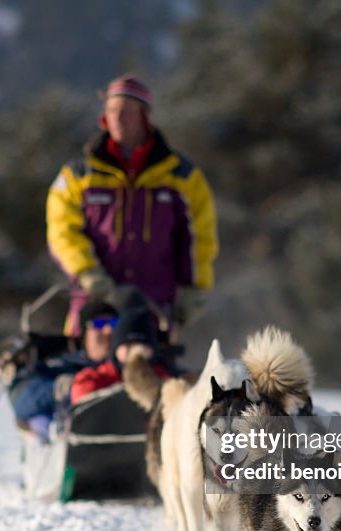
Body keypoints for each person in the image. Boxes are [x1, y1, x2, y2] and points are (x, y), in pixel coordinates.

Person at [47, 74, 219, 337]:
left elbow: (199, 235)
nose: (118, 117)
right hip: (96, 305)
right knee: (87, 376)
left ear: (145, 116)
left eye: (126, 111)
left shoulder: (182, 176)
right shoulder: (77, 175)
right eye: (112, 109)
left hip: (154, 307)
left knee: (151, 376)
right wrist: (87, 272)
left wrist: (196, 288)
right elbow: (61, 231)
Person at [9, 301, 119, 441]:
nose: (108, 330)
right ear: (85, 331)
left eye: (114, 323)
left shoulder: (128, 365)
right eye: (99, 323)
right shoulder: (60, 363)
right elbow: (22, 401)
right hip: (75, 442)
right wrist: (59, 389)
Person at [70, 307, 173, 405]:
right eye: (128, 346)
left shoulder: (166, 379)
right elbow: (84, 407)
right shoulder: (93, 380)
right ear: (116, 349)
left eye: (141, 347)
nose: (134, 352)